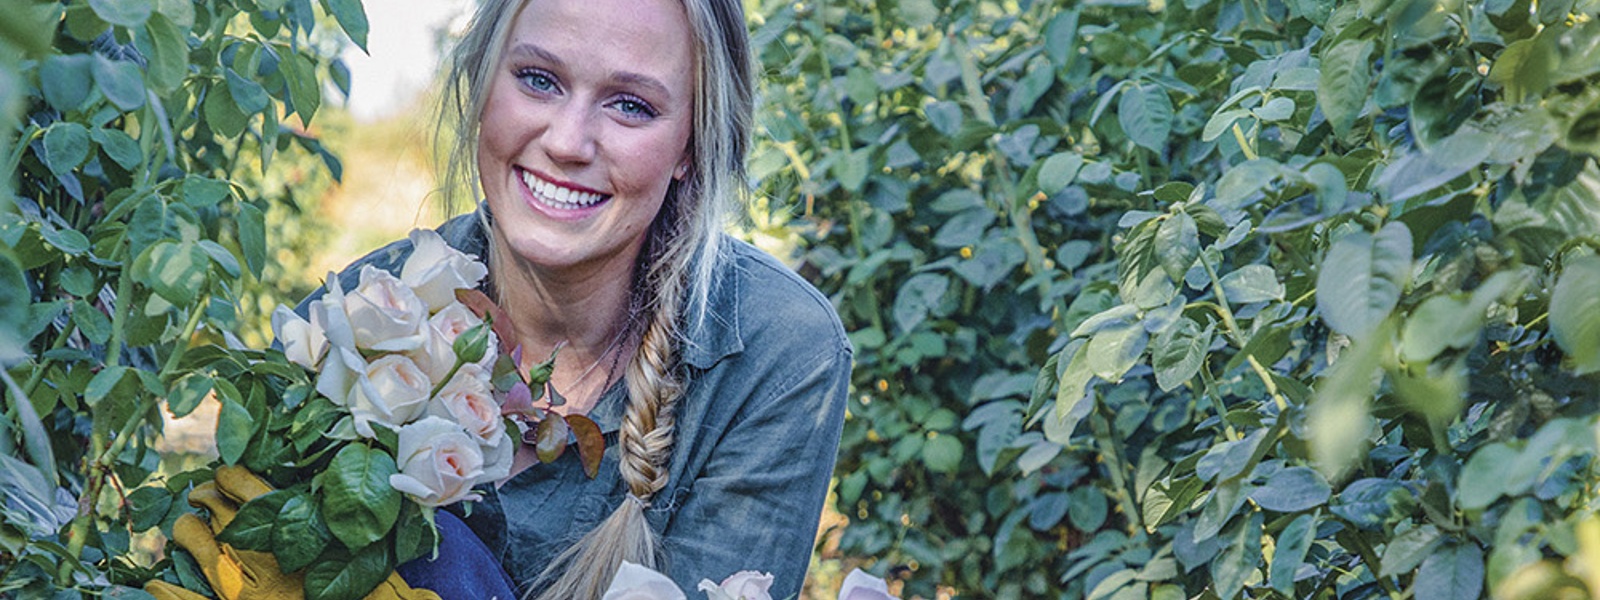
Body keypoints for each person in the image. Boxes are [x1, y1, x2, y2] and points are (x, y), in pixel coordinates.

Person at [321, 0, 853, 597]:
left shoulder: (773, 350)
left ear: (690, 146)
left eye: (631, 106)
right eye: (538, 80)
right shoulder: (363, 312)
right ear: (481, 83)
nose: (569, 142)